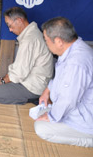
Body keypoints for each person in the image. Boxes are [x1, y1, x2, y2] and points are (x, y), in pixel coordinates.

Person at [34, 17, 93, 147]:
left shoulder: (76, 63)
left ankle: (88, 139)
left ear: (59, 41)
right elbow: (61, 78)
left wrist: (51, 117)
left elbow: (68, 99)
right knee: (40, 113)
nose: (46, 44)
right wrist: (48, 90)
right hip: (78, 107)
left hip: (86, 118)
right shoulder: (74, 48)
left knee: (41, 127)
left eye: (46, 40)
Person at [0, 7, 53, 104]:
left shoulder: (29, 39)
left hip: (33, 86)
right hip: (30, 79)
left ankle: (30, 99)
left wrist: (3, 81)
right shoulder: (32, 33)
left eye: (10, 25)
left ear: (19, 21)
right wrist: (3, 80)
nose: (10, 30)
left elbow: (19, 73)